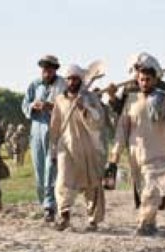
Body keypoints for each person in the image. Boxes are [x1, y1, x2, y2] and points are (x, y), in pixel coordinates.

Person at [108, 56, 165, 236]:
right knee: (144, 192)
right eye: (141, 79)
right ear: (137, 80)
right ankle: (151, 221)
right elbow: (122, 129)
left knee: (152, 189)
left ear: (155, 80)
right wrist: (115, 156)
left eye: (148, 79)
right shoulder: (131, 100)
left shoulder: (163, 100)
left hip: (158, 153)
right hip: (136, 154)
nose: (144, 82)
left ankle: (143, 223)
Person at [50, 64, 106, 232]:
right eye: (69, 78)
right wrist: (53, 147)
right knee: (63, 181)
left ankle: (93, 220)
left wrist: (84, 107)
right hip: (65, 146)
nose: (72, 81)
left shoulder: (91, 98)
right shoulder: (60, 100)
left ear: (81, 80)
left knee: (92, 183)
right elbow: (55, 125)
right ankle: (64, 215)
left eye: (75, 78)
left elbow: (98, 122)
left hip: (88, 146)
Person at [21, 55, 67, 222]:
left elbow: (68, 107)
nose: (46, 71)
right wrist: (33, 106)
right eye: (44, 68)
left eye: (49, 68)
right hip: (36, 131)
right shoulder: (35, 85)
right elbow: (25, 105)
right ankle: (44, 203)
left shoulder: (63, 85)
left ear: (55, 69)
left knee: (50, 169)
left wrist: (50, 106)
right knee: (39, 170)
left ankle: (50, 206)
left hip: (55, 132)